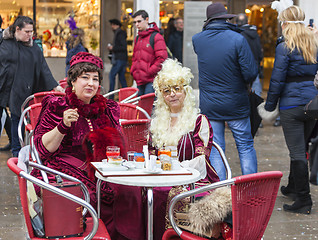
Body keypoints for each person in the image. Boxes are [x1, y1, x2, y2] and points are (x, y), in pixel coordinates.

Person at [31, 52, 146, 239]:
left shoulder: (106, 108)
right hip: (62, 170)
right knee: (91, 196)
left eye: (95, 78)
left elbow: (119, 147)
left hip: (103, 169)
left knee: (131, 191)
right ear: (73, 81)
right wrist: (62, 126)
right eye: (85, 78)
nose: (91, 83)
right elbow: (42, 149)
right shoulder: (57, 105)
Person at [148, 58, 220, 239]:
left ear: (185, 91)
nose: (172, 95)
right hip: (161, 177)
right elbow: (150, 155)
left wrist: (176, 169)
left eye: (177, 89)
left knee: (160, 193)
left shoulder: (198, 120)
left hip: (193, 178)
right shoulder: (157, 123)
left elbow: (201, 160)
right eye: (167, 91)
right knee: (139, 192)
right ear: (162, 96)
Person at [192, 3, 258, 181]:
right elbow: (250, 72)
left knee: (216, 147)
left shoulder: (198, 39)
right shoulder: (238, 39)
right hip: (236, 101)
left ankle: (220, 191)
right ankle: (250, 188)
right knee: (245, 146)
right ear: (226, 19)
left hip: (210, 103)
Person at [263, 5, 318, 214]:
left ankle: (304, 200)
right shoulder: (314, 42)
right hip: (313, 105)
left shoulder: (284, 46)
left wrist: (269, 106)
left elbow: (277, 79)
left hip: (291, 105)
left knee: (296, 152)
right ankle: (293, 187)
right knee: (301, 147)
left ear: (285, 23)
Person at [0, 16, 61, 157]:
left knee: (17, 117)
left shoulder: (33, 47)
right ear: (17, 29)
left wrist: (54, 85)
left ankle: (17, 151)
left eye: (31, 31)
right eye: (27, 31)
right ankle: (15, 146)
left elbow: (42, 67)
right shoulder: (4, 42)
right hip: (3, 85)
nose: (30, 35)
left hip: (21, 87)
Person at [130, 10, 168, 96]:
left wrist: (149, 71)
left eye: (139, 21)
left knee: (149, 108)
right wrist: (133, 70)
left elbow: (162, 58)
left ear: (147, 20)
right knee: (140, 108)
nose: (137, 24)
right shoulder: (137, 38)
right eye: (135, 22)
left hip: (151, 81)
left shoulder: (156, 36)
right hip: (139, 81)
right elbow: (135, 57)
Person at [236, 13, 263, 97]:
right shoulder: (255, 34)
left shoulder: (237, 35)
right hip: (255, 68)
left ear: (236, 23)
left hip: (241, 69)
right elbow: (260, 53)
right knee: (256, 97)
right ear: (247, 21)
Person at [107, 19, 128, 97]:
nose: (112, 26)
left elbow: (123, 47)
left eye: (113, 25)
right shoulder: (119, 33)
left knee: (112, 75)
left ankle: (111, 96)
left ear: (117, 25)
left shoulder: (119, 34)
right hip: (121, 59)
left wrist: (113, 48)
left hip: (119, 59)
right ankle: (127, 95)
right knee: (122, 78)